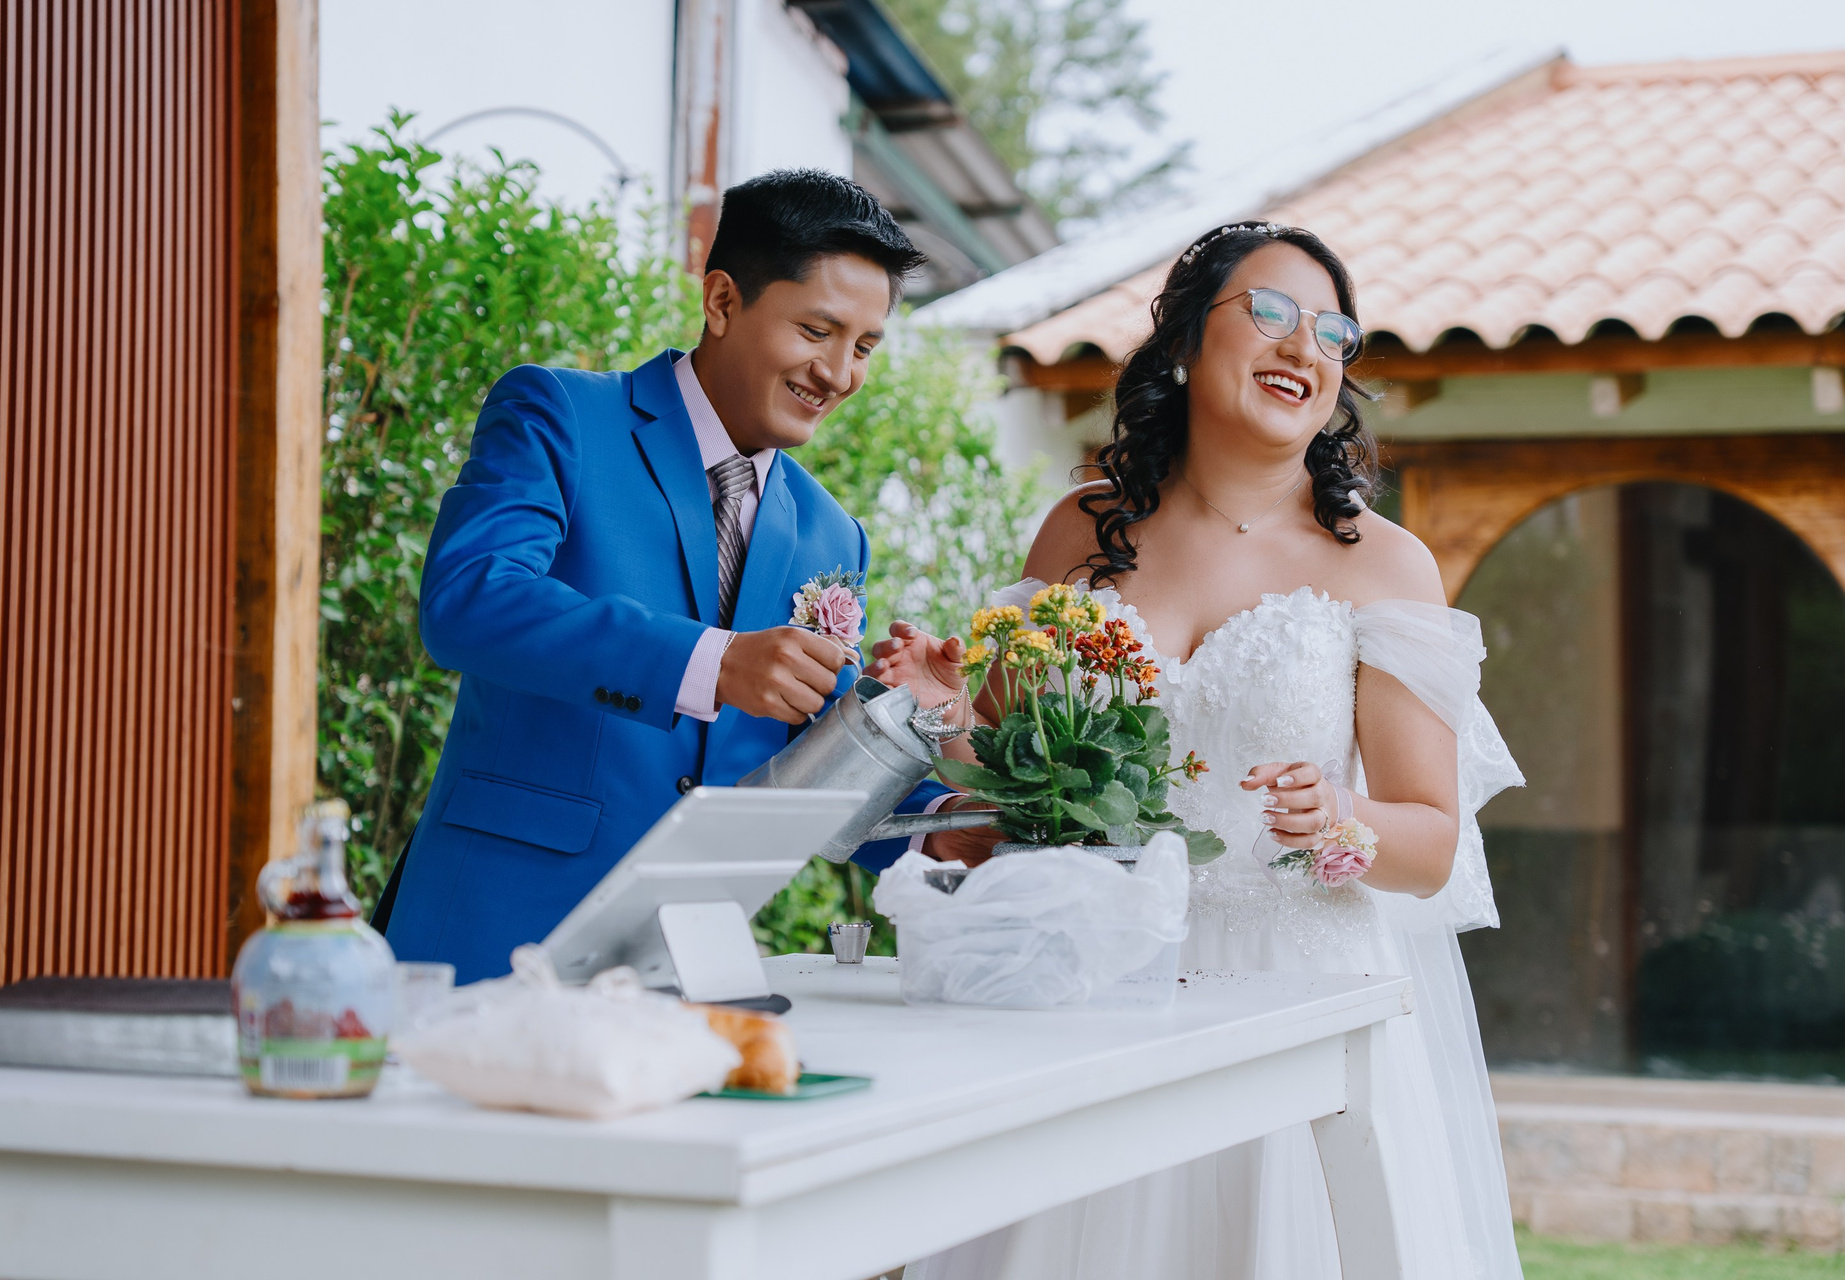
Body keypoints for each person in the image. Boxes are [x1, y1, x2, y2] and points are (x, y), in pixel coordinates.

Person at [868, 222, 1526, 1279]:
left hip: (1293, 1001)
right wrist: (944, 715)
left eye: (1334, 333)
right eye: (1270, 312)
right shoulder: (1079, 532)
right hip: (1096, 982)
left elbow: (1431, 843)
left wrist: (1341, 819)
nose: (1304, 346)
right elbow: (1011, 793)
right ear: (1183, 341)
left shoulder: (1386, 564)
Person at [380, 170, 951, 982]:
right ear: (721, 301)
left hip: (684, 966)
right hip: (492, 937)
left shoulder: (833, 533)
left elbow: (814, 761)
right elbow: (469, 599)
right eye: (817, 331)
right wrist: (716, 662)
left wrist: (946, 807)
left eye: (863, 347)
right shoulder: (559, 414)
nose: (838, 373)